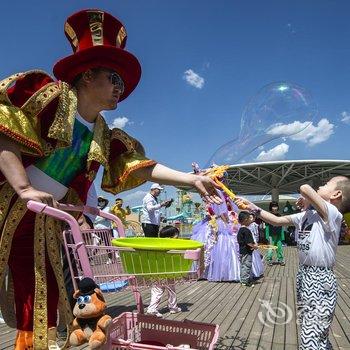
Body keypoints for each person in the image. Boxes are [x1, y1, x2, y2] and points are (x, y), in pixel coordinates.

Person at [0, 9, 221, 348]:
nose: (120, 88)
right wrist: (24, 187)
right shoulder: (50, 95)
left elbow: (140, 166)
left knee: (43, 292)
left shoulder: (104, 133)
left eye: (121, 82)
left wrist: (191, 181)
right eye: (113, 78)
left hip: (45, 219)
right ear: (87, 76)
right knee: (28, 288)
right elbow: (5, 131)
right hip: (8, 207)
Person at [236, 176, 350, 349]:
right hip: (304, 274)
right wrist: (252, 208)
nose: (320, 185)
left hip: (320, 279)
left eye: (326, 184)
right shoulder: (306, 215)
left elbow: (305, 187)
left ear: (336, 194)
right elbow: (276, 220)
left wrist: (308, 200)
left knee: (312, 332)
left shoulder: (333, 214)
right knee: (309, 325)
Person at [146, 226, 182, 317]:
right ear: (169, 237)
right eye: (176, 237)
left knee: (156, 290)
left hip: (157, 272)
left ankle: (152, 309)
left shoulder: (158, 245)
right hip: (169, 272)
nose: (178, 239)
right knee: (171, 290)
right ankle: (173, 307)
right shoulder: (173, 246)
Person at [237, 211, 258, 287]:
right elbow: (248, 242)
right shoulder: (246, 230)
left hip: (242, 251)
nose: (251, 220)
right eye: (250, 218)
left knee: (243, 265)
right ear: (246, 220)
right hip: (247, 251)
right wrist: (254, 246)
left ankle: (243, 279)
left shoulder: (240, 230)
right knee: (247, 265)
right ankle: (245, 281)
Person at [265, 201, 285, 266]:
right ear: (271, 208)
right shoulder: (268, 216)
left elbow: (281, 226)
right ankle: (269, 260)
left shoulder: (279, 216)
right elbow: (267, 227)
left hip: (279, 234)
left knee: (279, 248)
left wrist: (282, 235)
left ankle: (281, 260)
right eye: (273, 206)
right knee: (271, 247)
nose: (275, 208)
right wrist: (267, 236)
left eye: (276, 206)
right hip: (271, 235)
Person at [249, 213, 264, 278]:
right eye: (249, 217)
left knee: (255, 256)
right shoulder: (248, 225)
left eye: (252, 217)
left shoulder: (254, 225)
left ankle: (255, 271)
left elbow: (256, 234)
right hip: (249, 240)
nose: (250, 219)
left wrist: (256, 242)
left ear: (254, 218)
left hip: (253, 240)